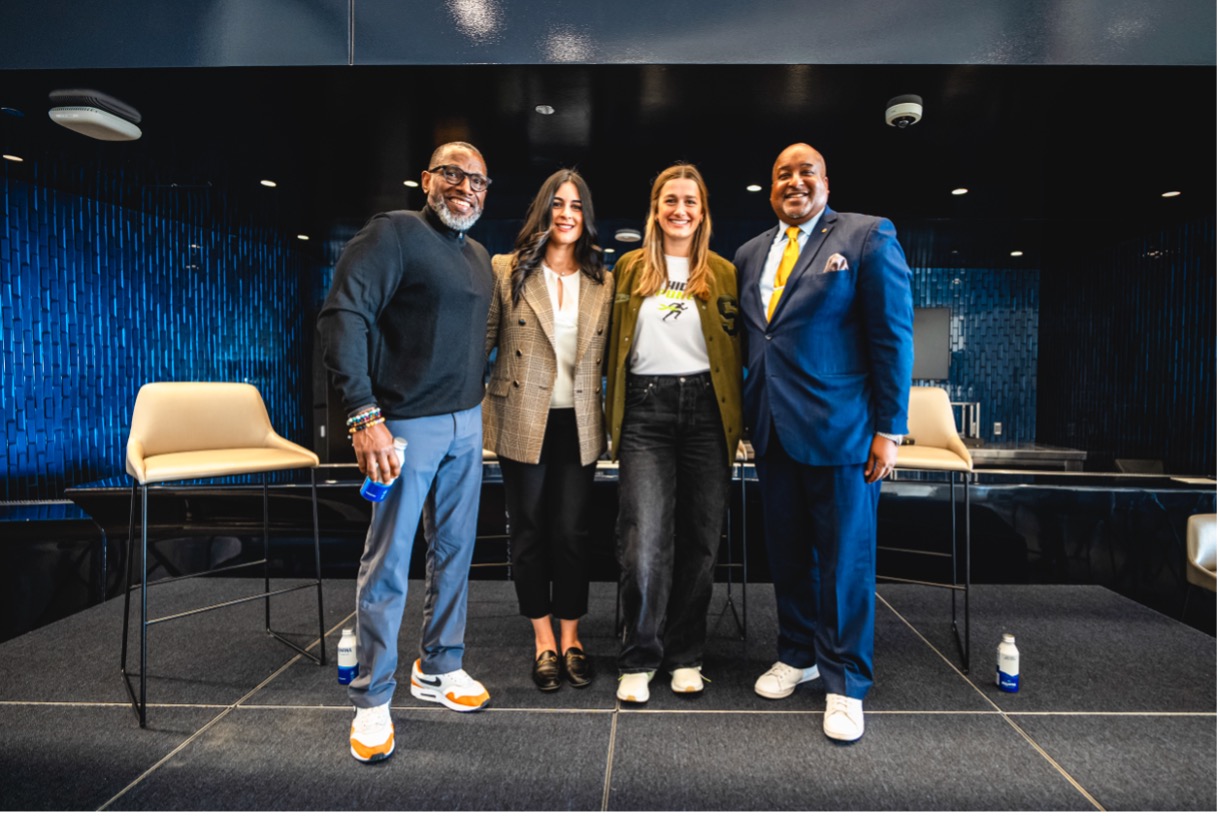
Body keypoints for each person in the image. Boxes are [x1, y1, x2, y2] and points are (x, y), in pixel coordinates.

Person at [317, 141, 495, 764]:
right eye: (452, 174)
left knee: (454, 552)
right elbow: (344, 316)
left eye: (477, 180)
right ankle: (371, 698)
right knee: (389, 561)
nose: (465, 187)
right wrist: (364, 416)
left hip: (467, 425)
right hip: (403, 427)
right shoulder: (392, 234)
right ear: (427, 180)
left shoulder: (478, 258)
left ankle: (439, 668)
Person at [732, 142, 913, 742]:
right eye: (782, 173)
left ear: (826, 181)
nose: (794, 181)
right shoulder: (749, 253)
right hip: (774, 432)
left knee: (844, 563)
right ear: (771, 185)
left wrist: (889, 428)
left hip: (843, 434)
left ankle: (845, 683)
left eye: (805, 171)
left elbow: (892, 337)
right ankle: (798, 653)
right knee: (787, 555)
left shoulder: (866, 236)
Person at [605, 163, 742, 704]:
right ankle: (640, 656)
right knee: (643, 541)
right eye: (670, 201)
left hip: (707, 411)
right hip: (645, 410)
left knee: (701, 541)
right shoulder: (629, 268)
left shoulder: (726, 272)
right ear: (655, 209)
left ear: (702, 211)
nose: (679, 210)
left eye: (690, 201)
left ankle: (686, 654)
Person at [483, 169, 614, 692]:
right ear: (543, 210)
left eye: (577, 206)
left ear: (586, 217)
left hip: (580, 420)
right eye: (558, 204)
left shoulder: (604, 278)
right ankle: (543, 640)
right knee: (531, 530)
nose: (566, 214)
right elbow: (484, 342)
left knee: (573, 532)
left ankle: (572, 636)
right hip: (521, 416)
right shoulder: (506, 269)